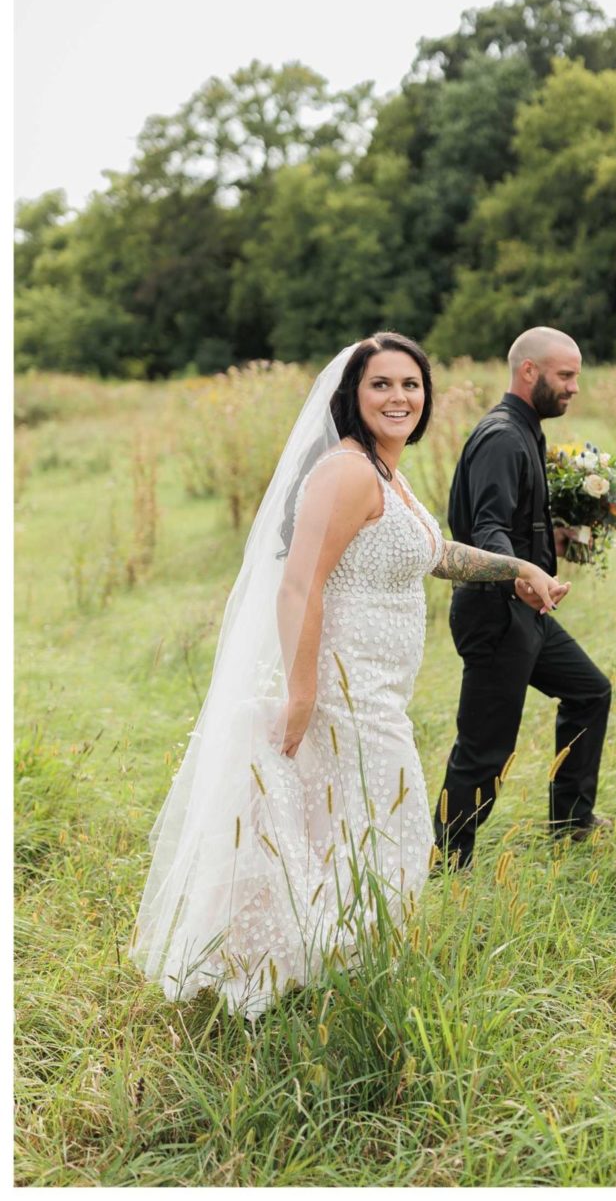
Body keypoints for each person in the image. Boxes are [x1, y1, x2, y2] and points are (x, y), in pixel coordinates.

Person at [133, 334, 566, 1018]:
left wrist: (518, 569)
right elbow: (298, 584)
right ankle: (296, 985)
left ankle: (332, 984)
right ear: (352, 396)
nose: (399, 397)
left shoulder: (386, 472)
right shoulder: (346, 471)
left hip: (379, 693)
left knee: (347, 836)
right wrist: (303, 694)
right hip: (340, 690)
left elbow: (434, 554)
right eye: (382, 385)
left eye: (411, 385)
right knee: (380, 835)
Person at [433, 326, 614, 870]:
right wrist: (519, 574)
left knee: (589, 692)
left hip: (526, 612)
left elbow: (510, 519)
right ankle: (447, 859)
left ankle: (570, 822)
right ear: (528, 372)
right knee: (485, 750)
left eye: (576, 376)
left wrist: (550, 539)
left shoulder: (526, 431)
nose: (574, 387)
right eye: (565, 375)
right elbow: (486, 528)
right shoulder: (503, 437)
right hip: (494, 614)